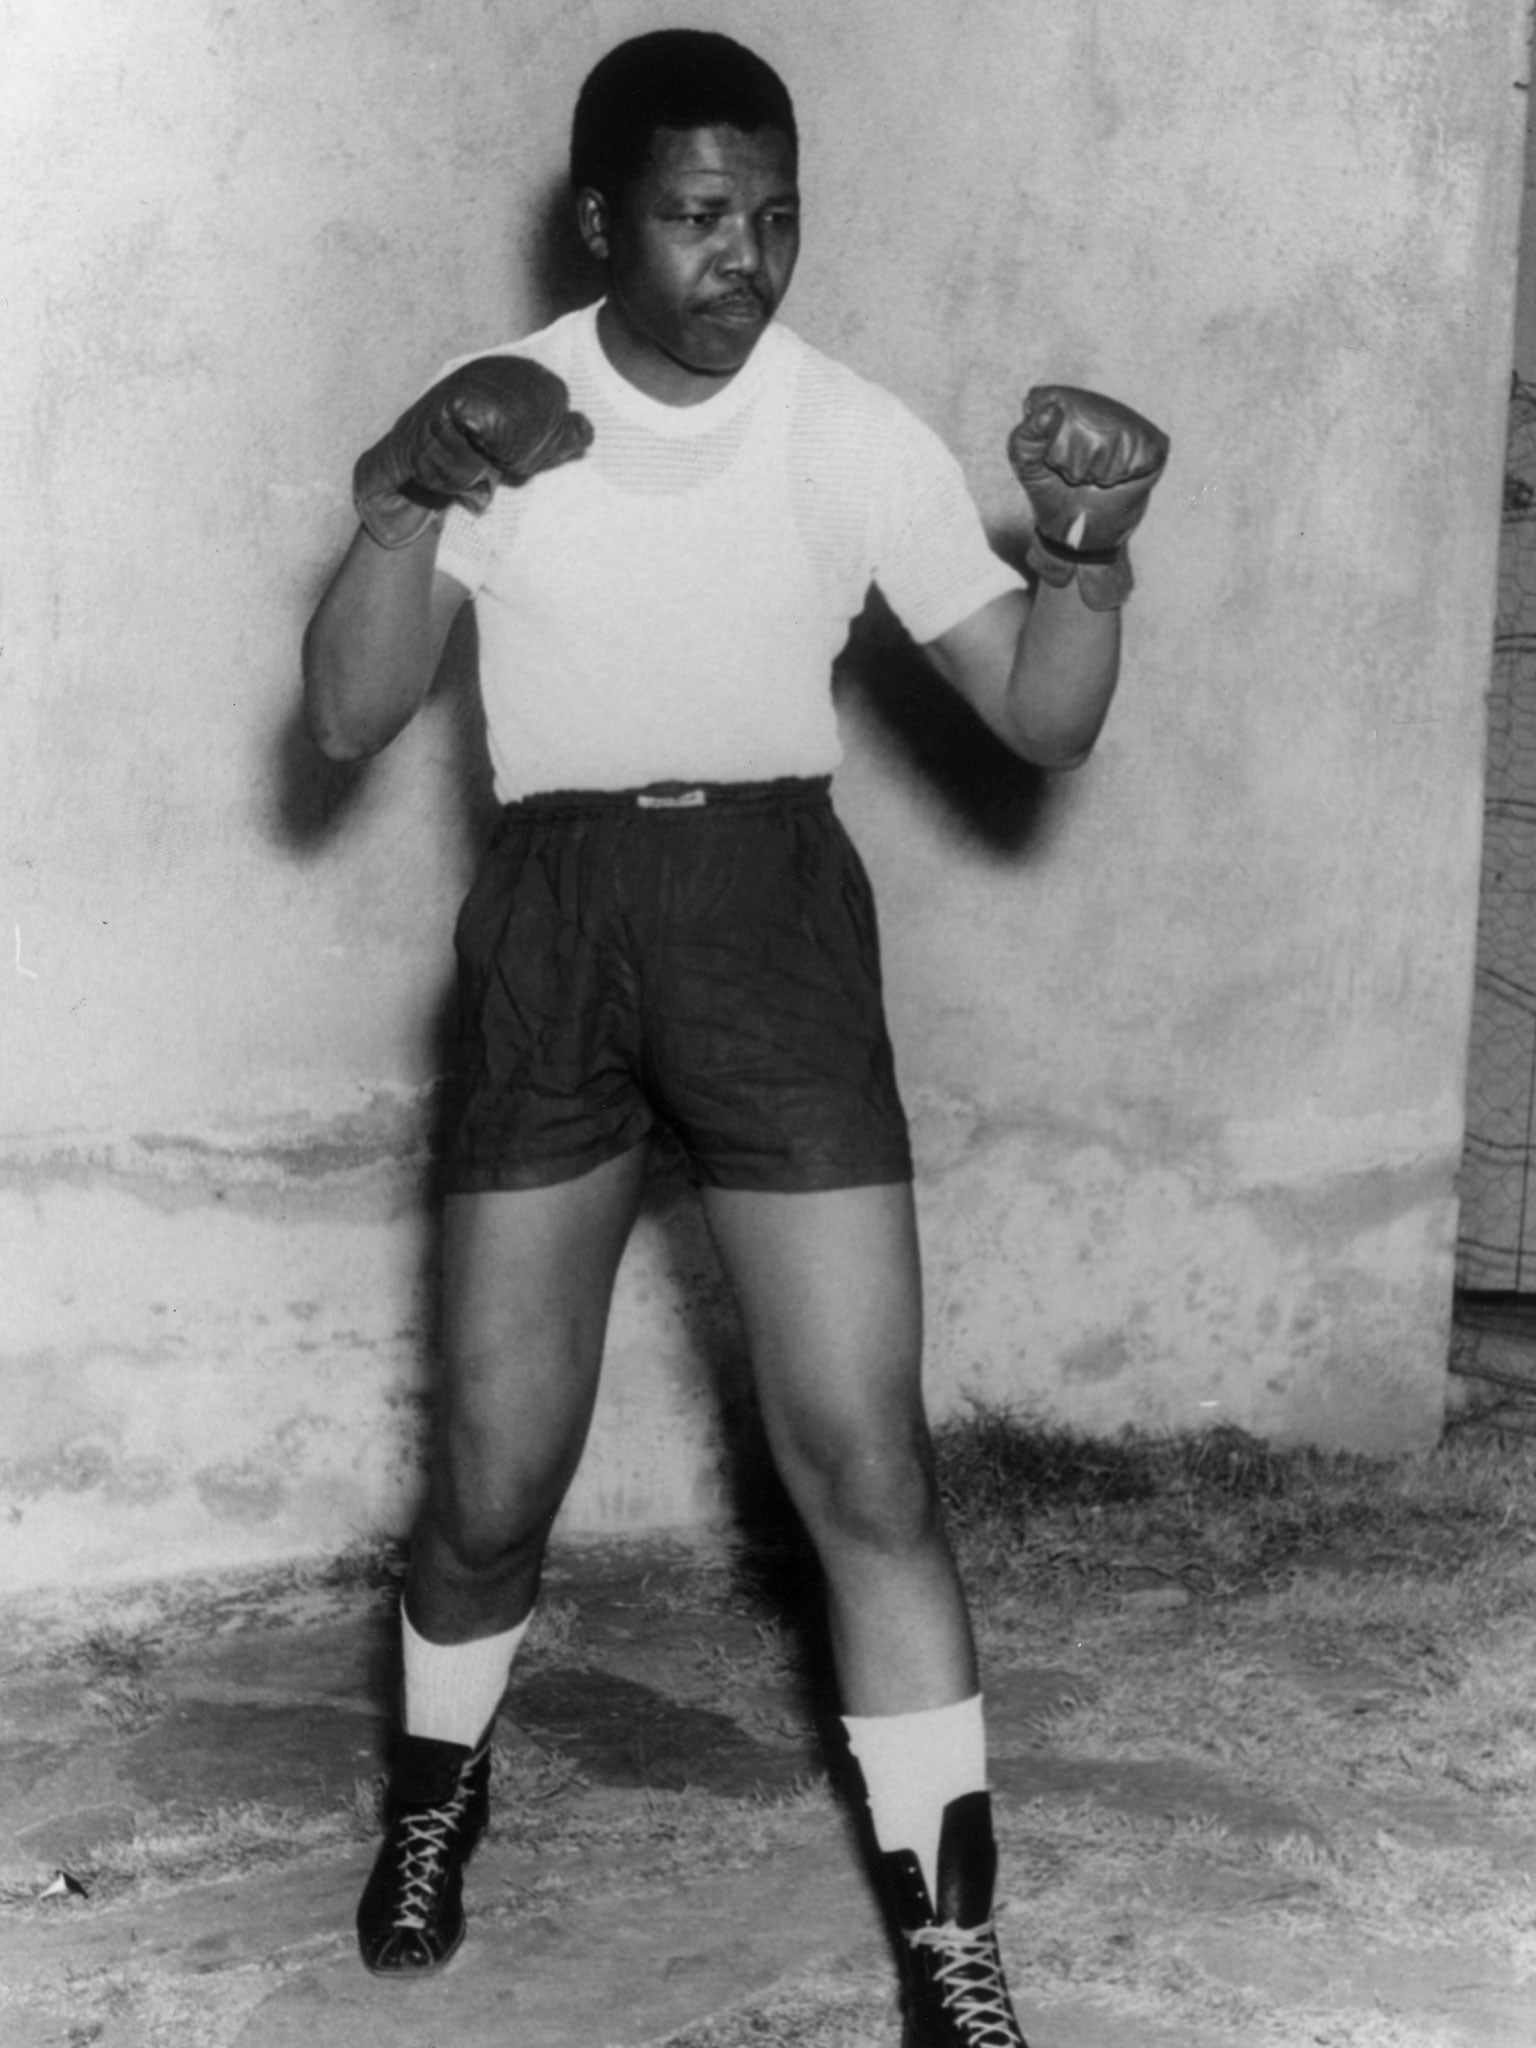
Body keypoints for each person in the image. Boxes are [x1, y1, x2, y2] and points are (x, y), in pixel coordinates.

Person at [302, 28, 1167, 2047]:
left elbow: (1038, 717)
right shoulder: (506, 414)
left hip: (774, 924)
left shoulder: (844, 429)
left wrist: (1092, 561)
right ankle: (435, 1794)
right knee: (497, 1478)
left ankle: (952, 1931)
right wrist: (405, 494)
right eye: (699, 216)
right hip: (555, 926)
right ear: (604, 219)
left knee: (866, 1459)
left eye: (775, 214)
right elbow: (347, 718)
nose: (745, 259)